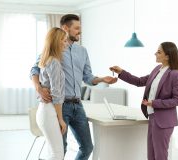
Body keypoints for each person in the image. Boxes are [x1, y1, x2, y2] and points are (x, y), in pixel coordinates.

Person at [30, 14, 117, 160]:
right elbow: (35, 70)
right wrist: (38, 88)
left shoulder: (82, 51)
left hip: (78, 105)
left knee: (87, 147)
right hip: (59, 105)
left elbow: (88, 77)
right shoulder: (55, 49)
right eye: (76, 28)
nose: (79, 31)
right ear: (65, 28)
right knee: (60, 149)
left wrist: (102, 79)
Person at [110, 41, 178, 160]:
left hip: (164, 121)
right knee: (151, 155)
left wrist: (154, 103)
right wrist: (121, 72)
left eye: (159, 52)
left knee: (160, 156)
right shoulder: (157, 69)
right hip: (152, 117)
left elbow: (177, 100)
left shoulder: (175, 74)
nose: (155, 54)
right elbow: (139, 81)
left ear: (167, 56)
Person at [35, 27, 68, 160]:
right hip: (49, 112)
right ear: (57, 42)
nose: (66, 43)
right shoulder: (54, 62)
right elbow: (56, 94)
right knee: (57, 154)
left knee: (52, 153)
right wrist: (60, 119)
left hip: (44, 111)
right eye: (64, 41)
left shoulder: (46, 59)